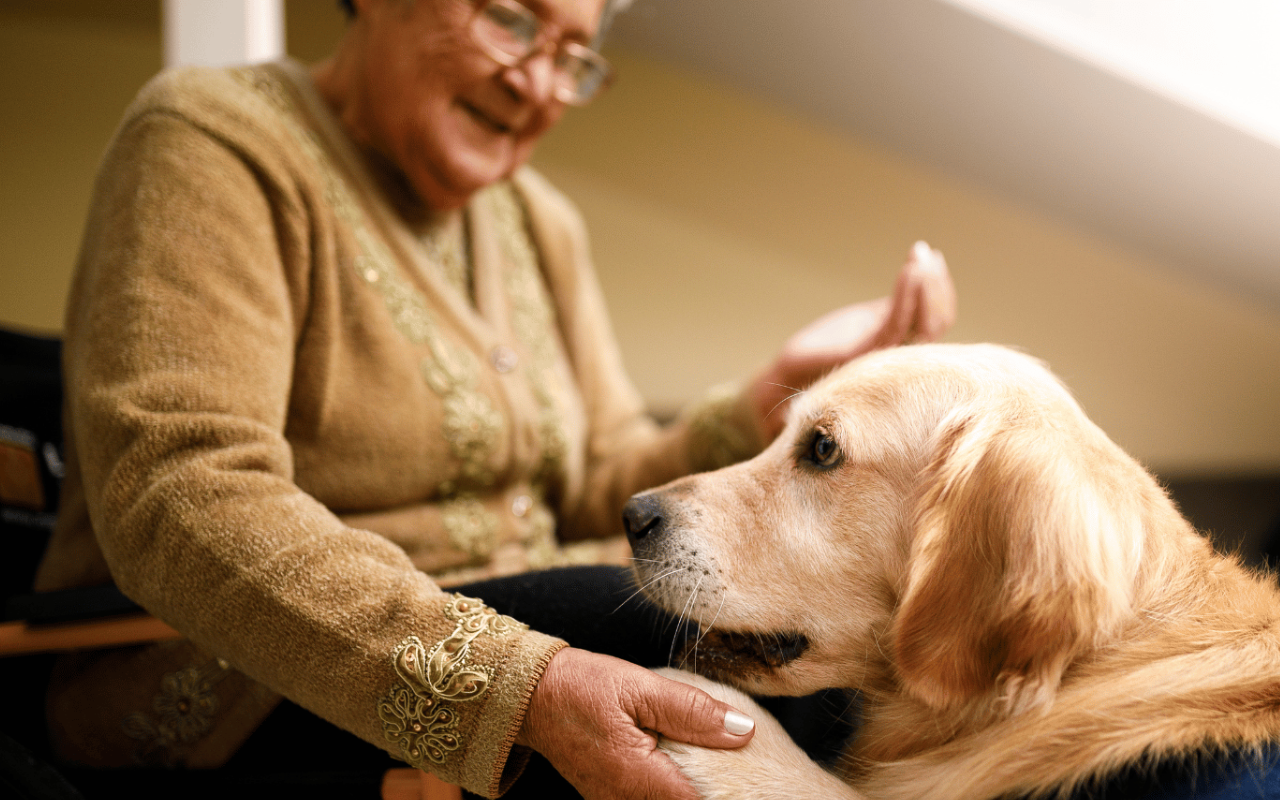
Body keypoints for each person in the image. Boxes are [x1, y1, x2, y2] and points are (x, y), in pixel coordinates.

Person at [32, 0, 956, 797]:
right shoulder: (213, 139)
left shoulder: (538, 222)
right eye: (512, 20)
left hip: (537, 611)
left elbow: (604, 482)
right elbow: (175, 493)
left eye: (574, 57)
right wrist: (519, 686)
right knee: (710, 658)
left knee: (824, 657)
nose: (543, 87)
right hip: (244, 690)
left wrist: (767, 396)